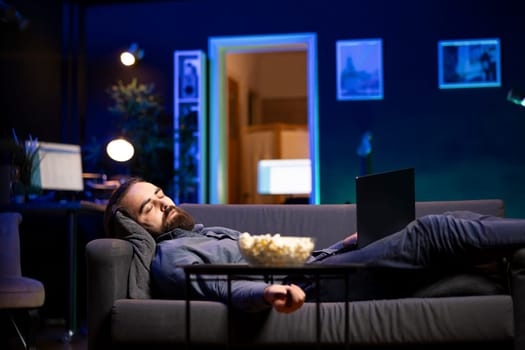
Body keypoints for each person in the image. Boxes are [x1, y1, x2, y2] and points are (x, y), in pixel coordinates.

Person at [104, 177, 525, 314]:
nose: (163, 202)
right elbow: (216, 286)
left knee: (459, 223)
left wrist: (344, 245)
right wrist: (267, 293)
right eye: (148, 209)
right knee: (433, 232)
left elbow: (297, 254)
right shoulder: (171, 255)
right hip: (311, 287)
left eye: (160, 193)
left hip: (322, 267)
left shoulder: (205, 233)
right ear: (137, 227)